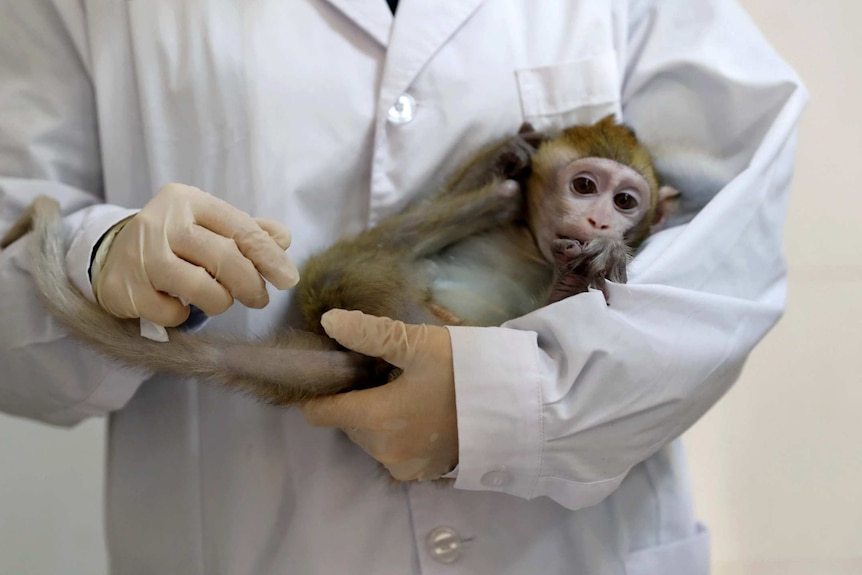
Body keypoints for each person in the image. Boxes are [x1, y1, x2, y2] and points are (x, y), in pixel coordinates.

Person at [0, 1, 806, 573]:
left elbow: (729, 235)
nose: (596, 222)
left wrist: (524, 400)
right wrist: (96, 253)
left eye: (621, 204)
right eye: (583, 189)